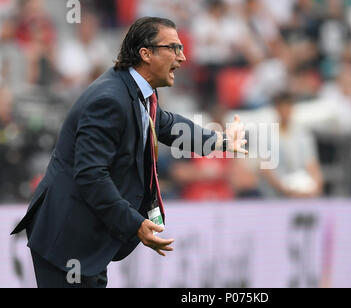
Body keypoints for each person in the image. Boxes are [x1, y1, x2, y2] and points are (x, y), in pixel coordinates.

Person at [10, 17, 247, 288]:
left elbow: (166, 123)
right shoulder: (109, 99)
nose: (182, 58)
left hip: (86, 242)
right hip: (66, 242)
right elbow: (91, 175)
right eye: (174, 48)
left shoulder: (135, 90)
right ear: (145, 53)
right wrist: (135, 223)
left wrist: (220, 141)